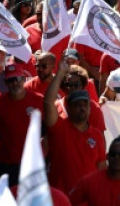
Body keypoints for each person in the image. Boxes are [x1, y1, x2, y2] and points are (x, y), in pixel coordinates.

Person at [43, 59, 107, 194]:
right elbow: (48, 102)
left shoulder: (96, 135)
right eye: (77, 105)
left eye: (85, 105)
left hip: (88, 196)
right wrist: (60, 73)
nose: (82, 108)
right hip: (62, 195)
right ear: (69, 108)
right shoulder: (59, 127)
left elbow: (101, 165)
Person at [0, 64, 44, 185]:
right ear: (6, 83)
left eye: (17, 79)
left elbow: (46, 129)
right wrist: (8, 137)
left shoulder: (38, 100)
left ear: (23, 79)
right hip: (9, 163)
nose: (15, 83)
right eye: (10, 80)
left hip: (34, 162)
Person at [69, 137, 120, 206]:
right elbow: (67, 202)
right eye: (113, 154)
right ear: (107, 156)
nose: (117, 157)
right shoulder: (88, 182)